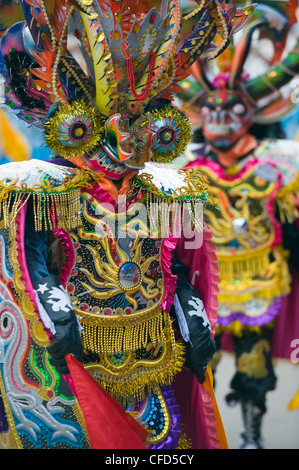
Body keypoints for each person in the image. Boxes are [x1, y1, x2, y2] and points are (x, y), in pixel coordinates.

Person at [0, 0, 253, 449]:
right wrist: (49, 303)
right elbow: (27, 260)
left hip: (153, 355)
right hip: (74, 363)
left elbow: (173, 262)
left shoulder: (165, 189)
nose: (126, 144)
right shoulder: (44, 187)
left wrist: (190, 311)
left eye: (140, 128)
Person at [179, 2, 299, 449]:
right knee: (194, 364)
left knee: (253, 365)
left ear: (251, 112)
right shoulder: (187, 169)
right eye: (213, 112)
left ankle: (250, 433)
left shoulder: (279, 165)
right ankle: (200, 434)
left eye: (231, 111)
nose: (222, 120)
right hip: (199, 286)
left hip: (258, 281)